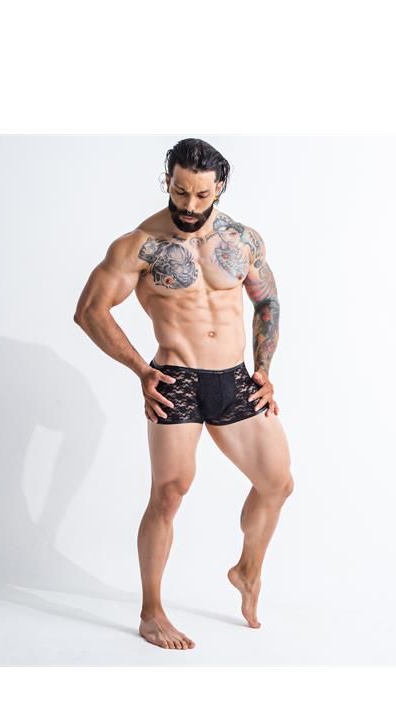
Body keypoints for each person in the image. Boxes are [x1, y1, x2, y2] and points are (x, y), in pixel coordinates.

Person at [74, 139, 294, 650]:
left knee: (277, 483)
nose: (189, 206)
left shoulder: (242, 240)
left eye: (200, 195)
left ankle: (247, 570)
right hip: (177, 381)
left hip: (235, 379)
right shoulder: (140, 245)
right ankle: (151, 612)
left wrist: (264, 369)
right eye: (179, 192)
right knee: (169, 493)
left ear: (220, 188)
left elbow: (268, 303)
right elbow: (89, 311)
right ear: (167, 182)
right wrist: (140, 370)